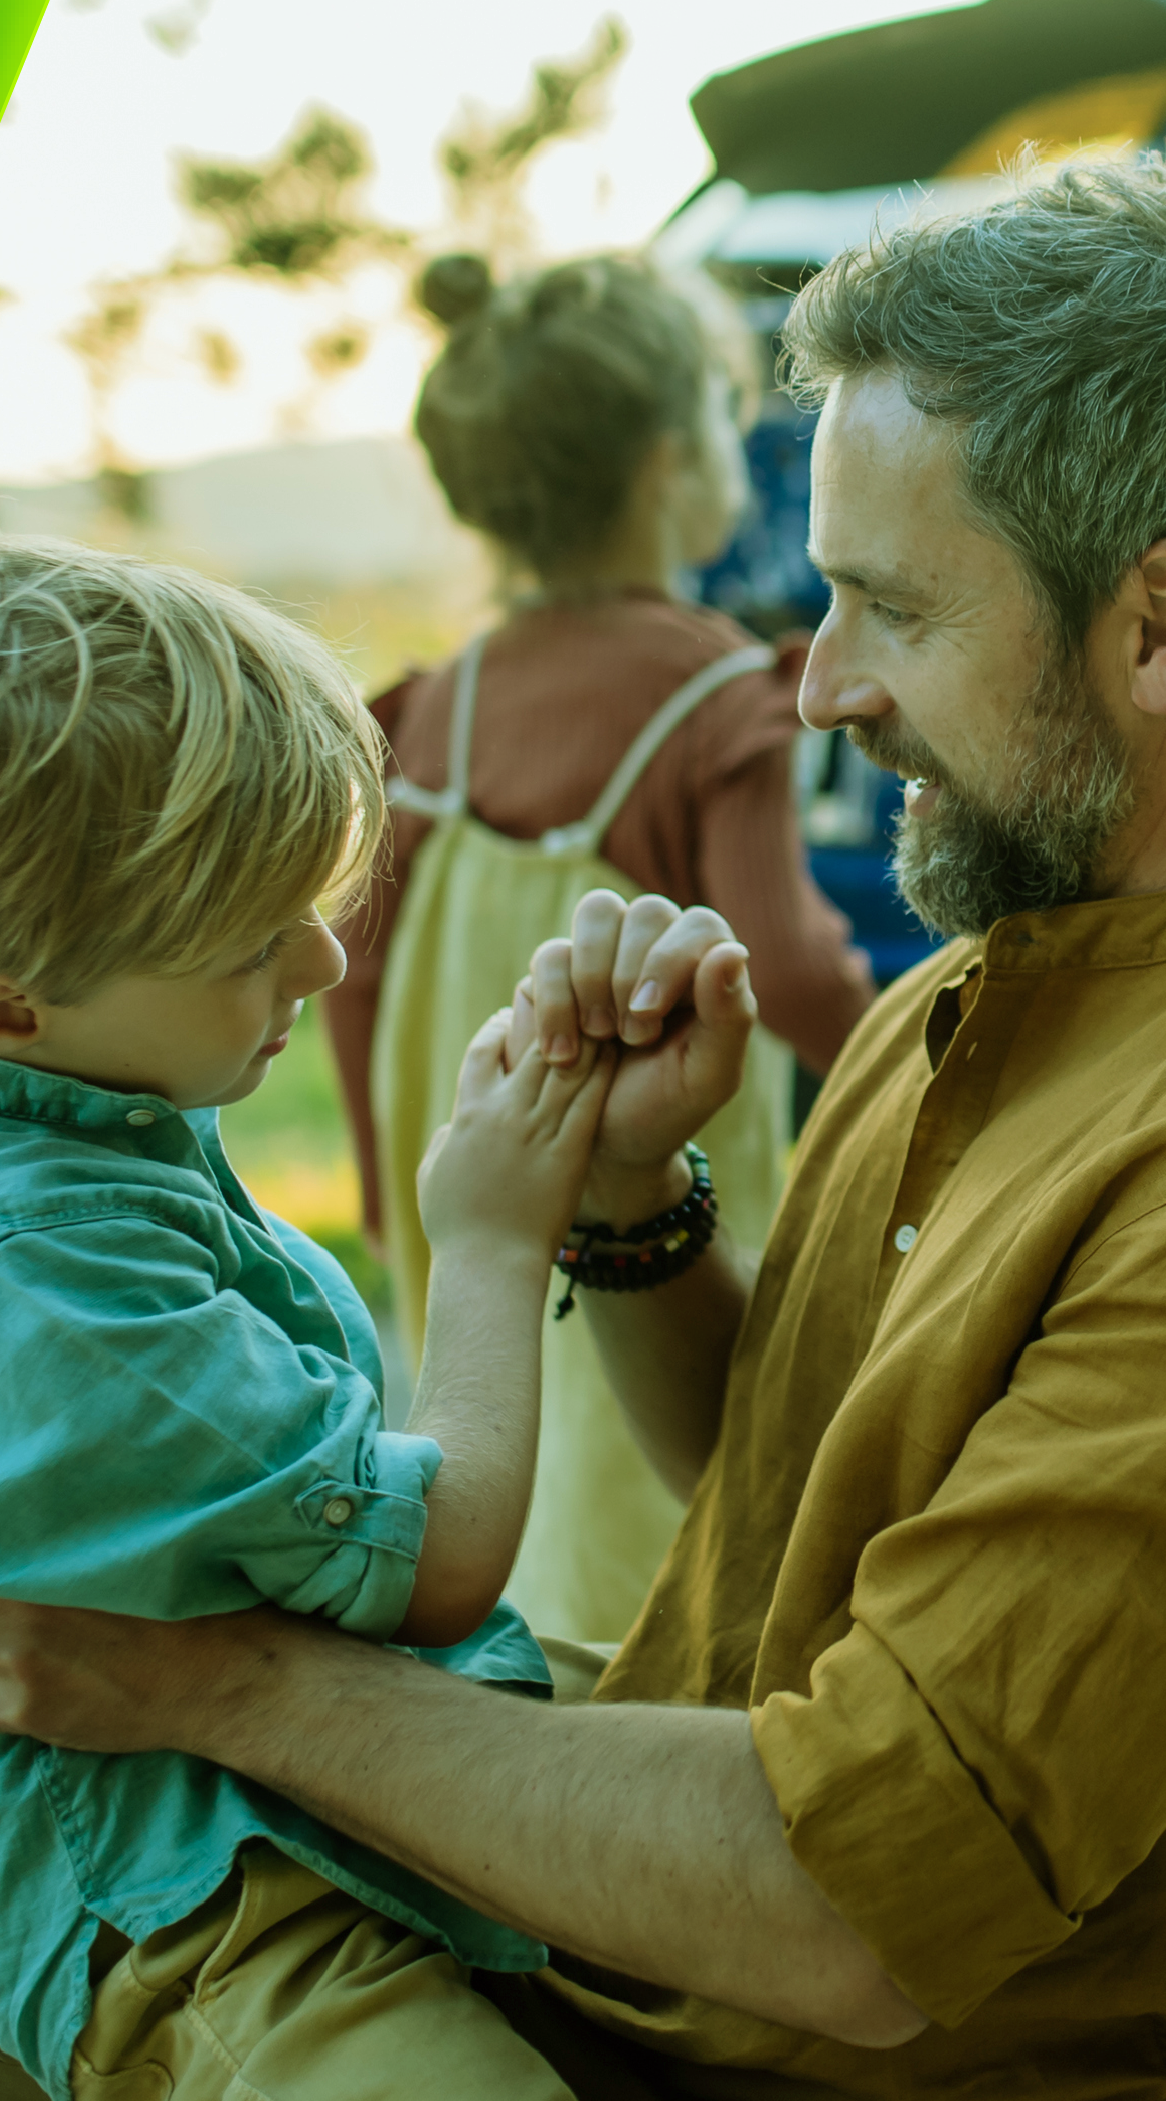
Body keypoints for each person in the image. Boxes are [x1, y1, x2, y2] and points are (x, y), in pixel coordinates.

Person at [0, 157, 1166, 2101]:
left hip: (864, 2039)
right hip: (655, 1959)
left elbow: (845, 1910)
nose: (822, 680)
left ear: (1162, 625)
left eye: (889, 606)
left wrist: (220, 1689)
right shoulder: (1002, 981)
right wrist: (631, 1206)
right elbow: (779, 1479)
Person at [0, 525, 628, 2101]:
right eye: (246, 948)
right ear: (5, 1000)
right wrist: (491, 1235)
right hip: (208, 1904)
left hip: (263, 1783)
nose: (323, 954)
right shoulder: (37, 1276)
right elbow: (440, 1558)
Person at [337, 250, 876, 1648]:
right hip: (653, 1198)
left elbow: (361, 984)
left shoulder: (435, 704)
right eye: (716, 409)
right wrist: (915, 1075)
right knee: (674, 1498)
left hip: (478, 1171)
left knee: (515, 1458)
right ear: (661, 460)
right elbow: (794, 965)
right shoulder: (709, 692)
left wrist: (394, 1196)